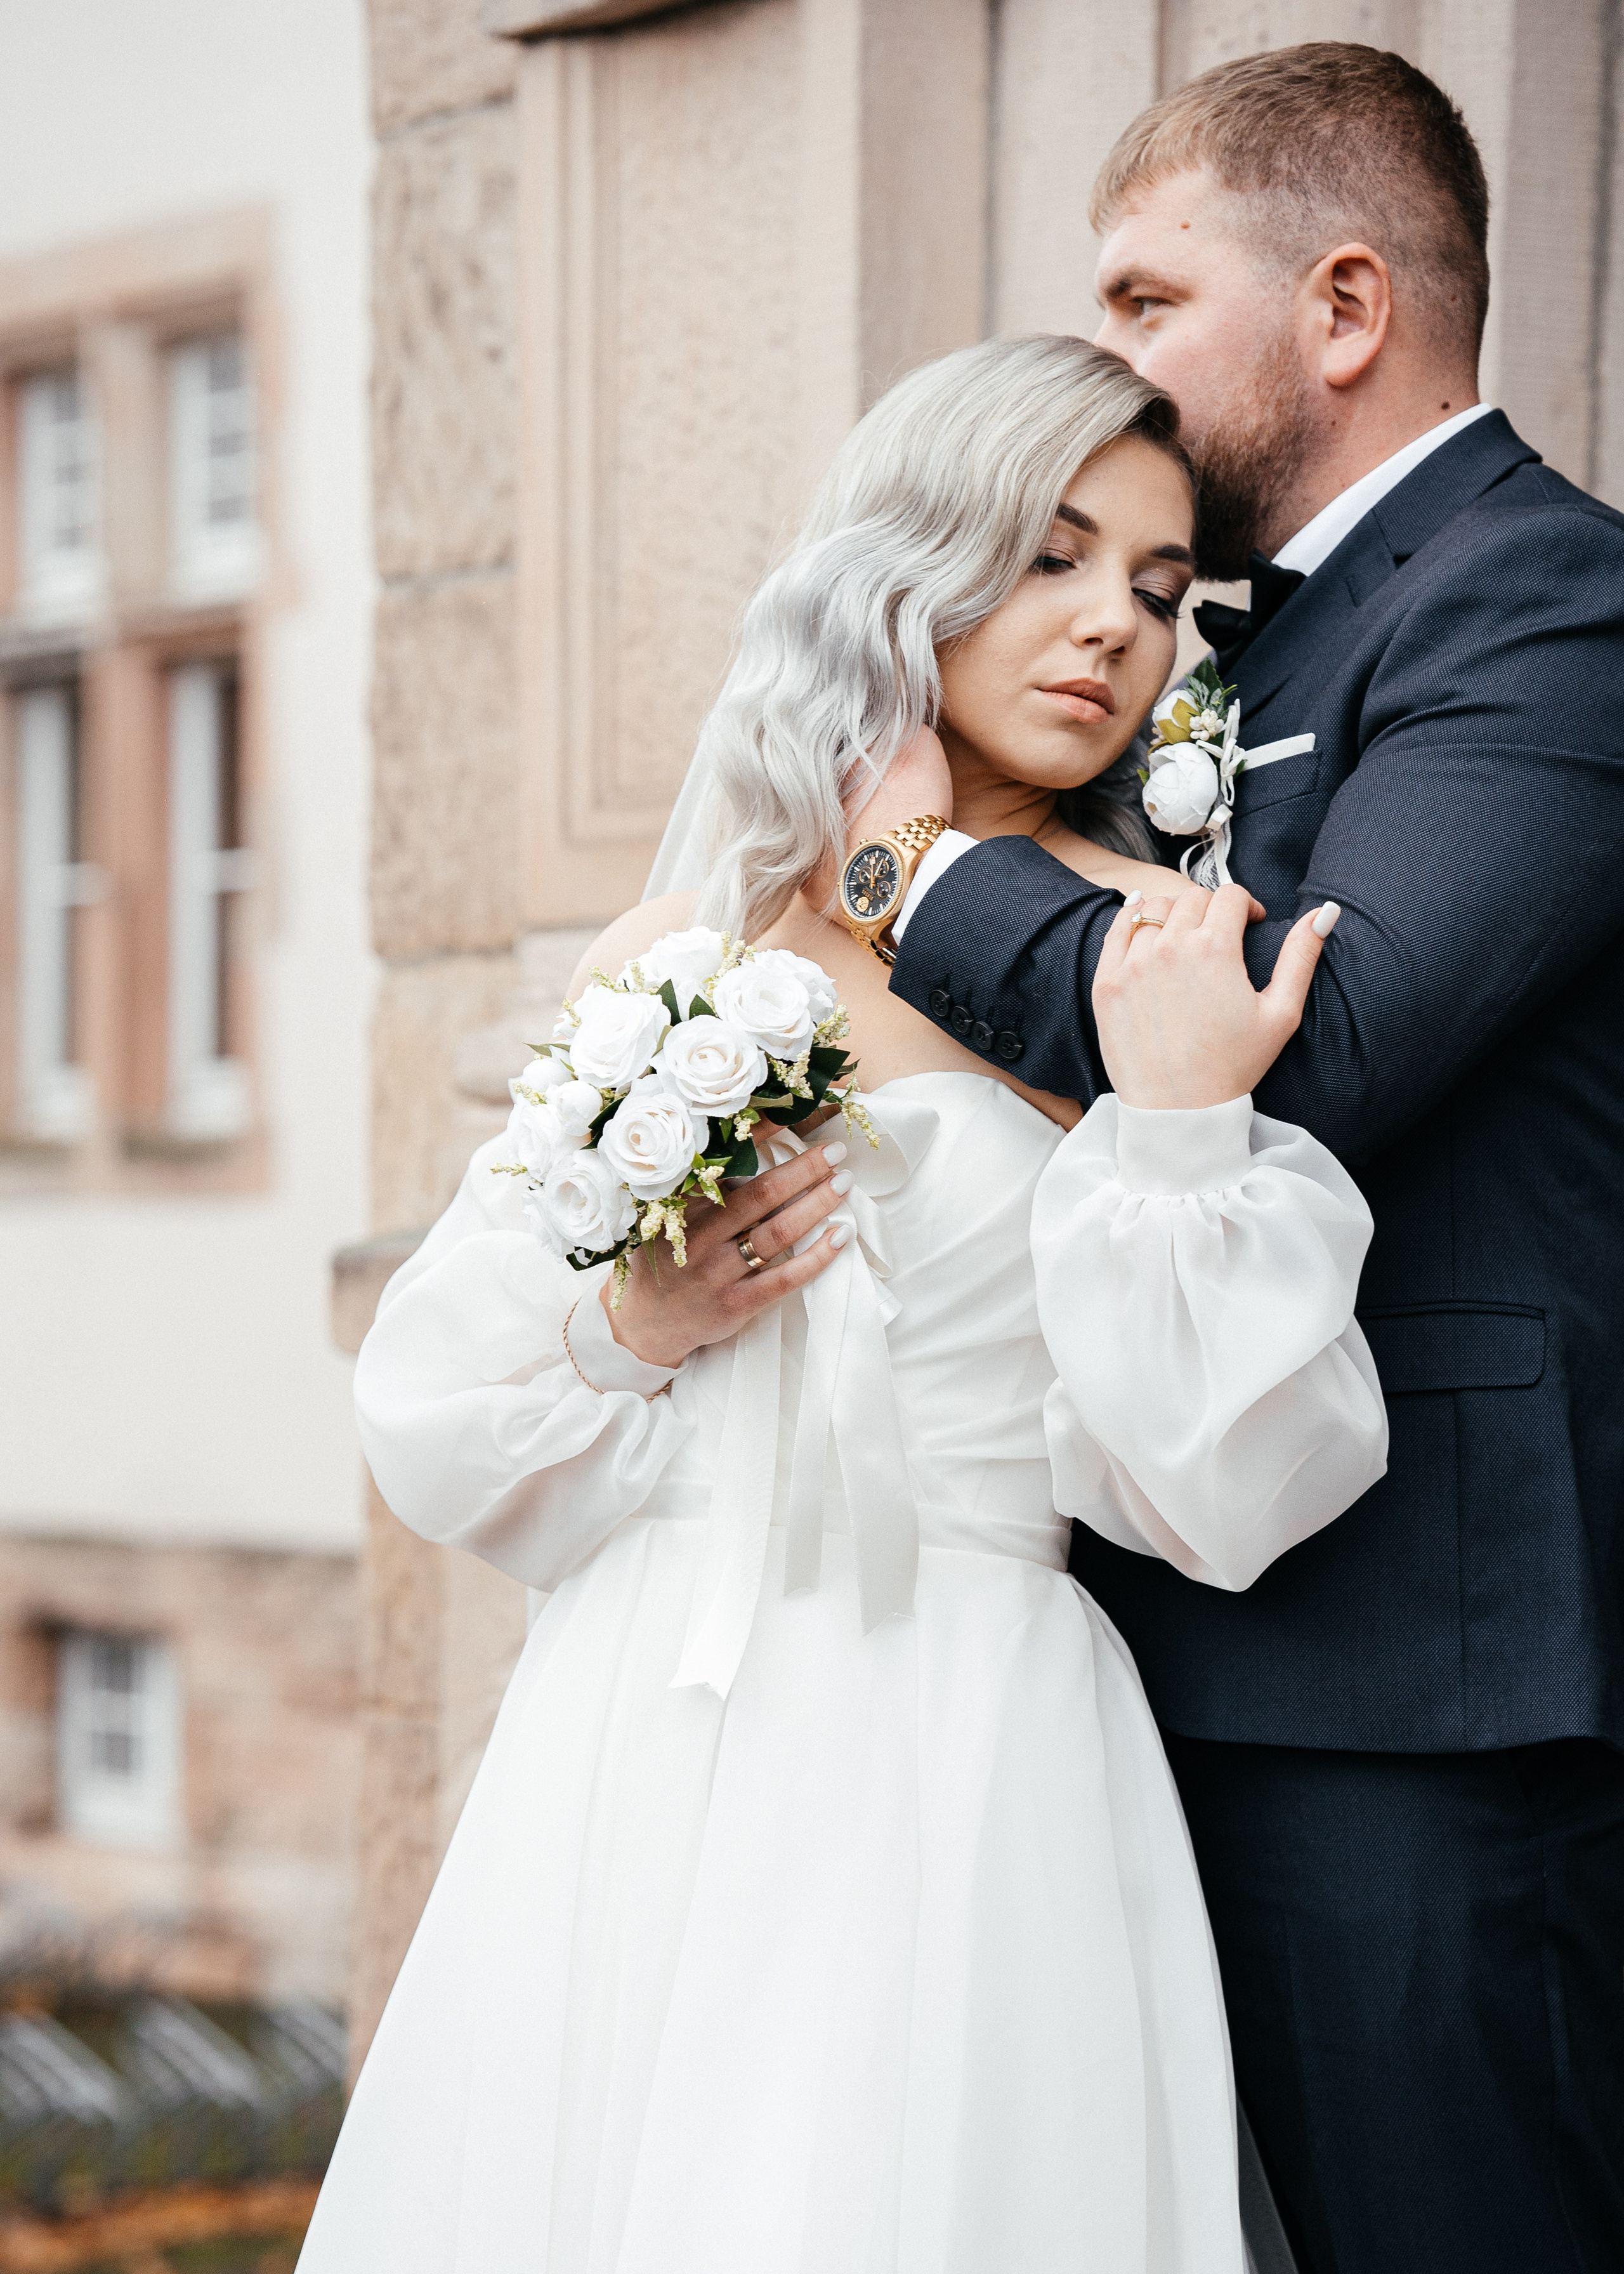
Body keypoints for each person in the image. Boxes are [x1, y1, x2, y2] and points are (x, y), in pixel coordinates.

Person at [297, 335, 1385, 2273]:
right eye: (1051, 558)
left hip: (962, 1723)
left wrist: (1189, 1124)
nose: (1110, 631)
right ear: (916, 569)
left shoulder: (1125, 964)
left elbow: (1224, 1474)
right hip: (645, 1713)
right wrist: (644, 1317)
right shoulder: (688, 950)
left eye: (1155, 588)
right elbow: (434, 1416)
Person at [867, 44, 1624, 2274]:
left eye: (1144, 296)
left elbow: (1315, 1040)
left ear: (1349, 305)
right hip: (1183, 1626)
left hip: (1423, 1683)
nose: (1110, 355)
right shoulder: (1243, 645)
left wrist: (912, 879)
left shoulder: (1547, 602)